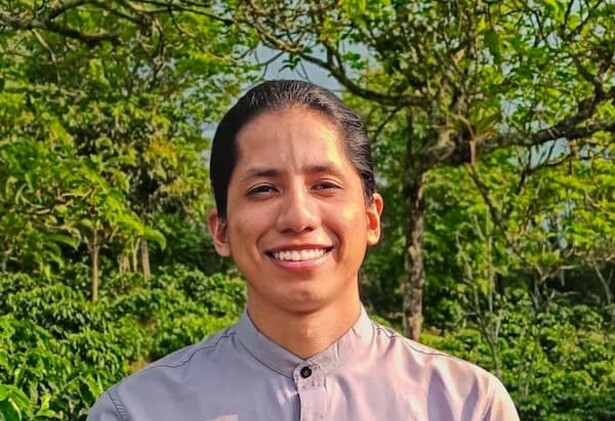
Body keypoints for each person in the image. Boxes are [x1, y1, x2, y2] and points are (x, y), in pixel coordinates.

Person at [87, 80, 520, 421]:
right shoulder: (139, 411)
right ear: (220, 230)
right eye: (263, 189)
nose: (298, 216)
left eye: (324, 185)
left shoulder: (467, 406)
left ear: (371, 218)